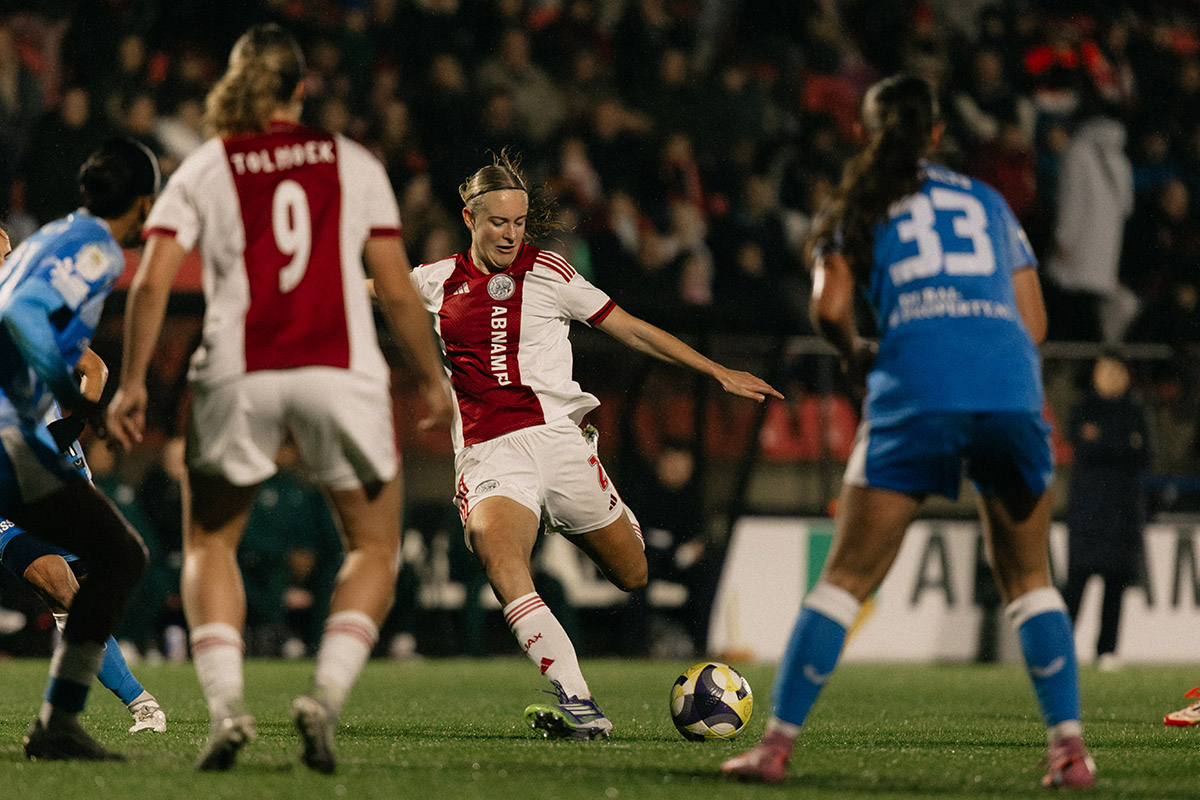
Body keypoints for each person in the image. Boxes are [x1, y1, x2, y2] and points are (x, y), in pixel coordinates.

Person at [721, 74, 1096, 789]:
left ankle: (775, 748)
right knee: (1029, 579)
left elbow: (829, 307)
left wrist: (855, 352)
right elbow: (1035, 322)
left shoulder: (855, 204)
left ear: (862, 134)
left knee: (845, 580)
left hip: (917, 387)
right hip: (1009, 389)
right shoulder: (987, 200)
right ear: (936, 135)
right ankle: (1070, 752)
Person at [105, 24, 453, 774]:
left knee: (210, 544)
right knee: (373, 546)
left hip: (238, 368)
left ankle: (227, 707)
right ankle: (324, 694)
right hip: (341, 369)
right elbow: (397, 288)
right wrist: (431, 377)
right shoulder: (353, 161)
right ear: (302, 88)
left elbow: (153, 282)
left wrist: (131, 383)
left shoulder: (206, 166)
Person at [403, 150, 781, 740]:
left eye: (519, 222)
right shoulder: (433, 281)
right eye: (497, 222)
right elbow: (371, 290)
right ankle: (579, 702)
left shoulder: (550, 273)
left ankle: (582, 500)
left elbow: (630, 328)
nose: (510, 234)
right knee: (499, 556)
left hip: (560, 444)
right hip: (491, 455)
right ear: (470, 218)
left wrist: (716, 371)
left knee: (634, 573)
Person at [0, 138, 157, 761]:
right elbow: (25, 315)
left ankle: (64, 722)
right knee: (116, 559)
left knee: (78, 577)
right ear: (142, 202)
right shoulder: (93, 250)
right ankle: (61, 723)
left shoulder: (51, 239)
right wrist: (75, 406)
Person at [0, 323, 166, 734]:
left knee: (80, 604)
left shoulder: (25, 316)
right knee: (60, 588)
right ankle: (142, 704)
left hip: (58, 479)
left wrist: (71, 426)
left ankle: (59, 721)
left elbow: (94, 369)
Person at [1061, 352, 1150, 671]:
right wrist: (1123, 443)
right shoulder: (1082, 410)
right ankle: (1060, 649)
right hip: (1087, 510)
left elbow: (1144, 454)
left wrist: (1103, 441)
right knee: (1075, 584)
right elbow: (1087, 446)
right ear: (1095, 375)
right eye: (1105, 371)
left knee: (1115, 586)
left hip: (1122, 511)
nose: (1111, 377)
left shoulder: (1136, 412)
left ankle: (1107, 650)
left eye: (1117, 371)